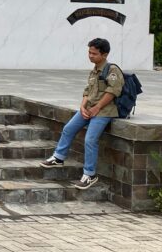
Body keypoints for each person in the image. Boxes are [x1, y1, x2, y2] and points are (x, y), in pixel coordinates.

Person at [41, 38, 123, 190]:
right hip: (89, 109)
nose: (90, 56)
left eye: (94, 53)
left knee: (90, 139)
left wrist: (97, 108)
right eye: (89, 52)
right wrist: (82, 106)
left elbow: (113, 92)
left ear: (104, 54)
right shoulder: (94, 70)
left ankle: (89, 175)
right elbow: (87, 91)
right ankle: (59, 157)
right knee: (68, 129)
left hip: (104, 111)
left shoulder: (112, 70)